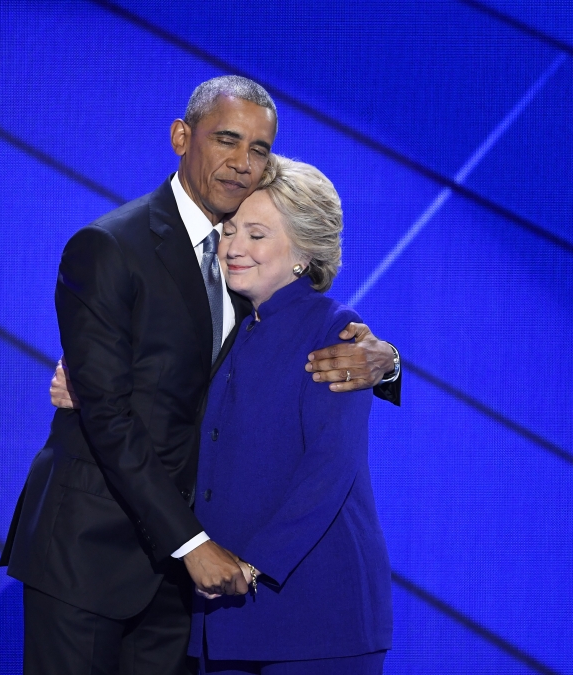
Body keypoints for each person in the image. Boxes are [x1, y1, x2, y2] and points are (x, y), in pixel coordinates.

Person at [0, 75, 401, 675]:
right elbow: (109, 408)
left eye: (259, 149)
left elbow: (311, 336)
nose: (242, 163)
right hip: (93, 553)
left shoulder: (252, 271)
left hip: (191, 586)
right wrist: (193, 543)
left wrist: (388, 362)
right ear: (181, 137)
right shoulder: (110, 245)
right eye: (227, 140)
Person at [189, 155, 391, 674]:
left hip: (317, 612)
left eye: (256, 235)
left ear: (304, 252)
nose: (233, 248)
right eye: (229, 230)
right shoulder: (225, 323)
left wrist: (252, 565)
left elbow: (330, 467)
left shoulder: (337, 330)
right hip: (222, 610)